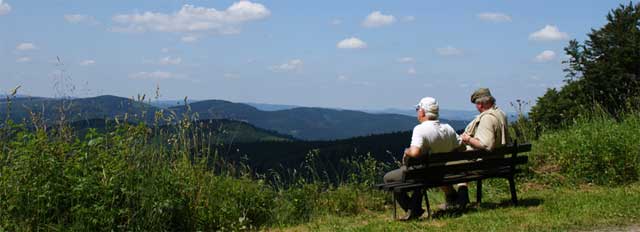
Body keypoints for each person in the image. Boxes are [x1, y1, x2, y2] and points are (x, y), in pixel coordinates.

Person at [383, 97, 461, 220]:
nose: (417, 112)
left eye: (417, 109)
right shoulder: (448, 128)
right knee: (418, 175)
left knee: (388, 178)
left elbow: (415, 152)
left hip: (424, 174)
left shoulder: (420, 129)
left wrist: (406, 151)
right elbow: (460, 147)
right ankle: (415, 208)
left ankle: (413, 209)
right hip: (442, 172)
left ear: (423, 112)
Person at [456, 88, 510, 207]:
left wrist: (468, 139)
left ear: (480, 104)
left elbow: (485, 145)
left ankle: (461, 200)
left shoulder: (487, 118)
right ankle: (460, 201)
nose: (476, 107)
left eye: (476, 104)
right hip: (499, 161)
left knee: (458, 165)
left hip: (487, 165)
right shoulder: (500, 113)